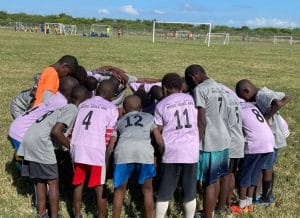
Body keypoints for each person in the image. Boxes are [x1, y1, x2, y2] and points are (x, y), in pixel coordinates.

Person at [17, 85, 89, 218]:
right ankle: (54, 216)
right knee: (53, 181)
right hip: (41, 143)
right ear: (84, 100)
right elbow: (56, 132)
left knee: (41, 180)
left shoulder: (61, 107)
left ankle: (41, 214)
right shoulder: (72, 108)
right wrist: (71, 147)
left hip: (29, 139)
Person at [185, 64, 231, 218]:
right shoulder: (221, 87)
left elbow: (202, 121)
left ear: (193, 78)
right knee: (216, 178)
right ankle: (211, 211)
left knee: (208, 182)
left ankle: (207, 215)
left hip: (210, 141)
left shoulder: (200, 90)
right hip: (224, 138)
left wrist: (195, 143)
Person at [235, 79, 291, 205]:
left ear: (247, 91)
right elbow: (286, 96)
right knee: (266, 167)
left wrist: (265, 118)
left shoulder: (261, 95)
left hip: (273, 136)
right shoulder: (264, 91)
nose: (247, 102)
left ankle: (266, 197)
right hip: (272, 135)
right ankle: (262, 195)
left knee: (266, 168)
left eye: (245, 98)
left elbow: (281, 101)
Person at [106, 95, 162, 218]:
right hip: (144, 153)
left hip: (123, 153)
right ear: (141, 108)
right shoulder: (149, 117)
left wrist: (107, 162)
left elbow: (111, 145)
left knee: (119, 191)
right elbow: (159, 140)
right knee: (148, 191)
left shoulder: (120, 121)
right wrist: (160, 155)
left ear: (124, 110)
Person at [70, 80, 119, 218]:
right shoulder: (111, 108)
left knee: (78, 182)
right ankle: (101, 215)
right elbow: (108, 135)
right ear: (112, 95)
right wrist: (106, 156)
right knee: (99, 187)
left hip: (78, 147)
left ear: (97, 90)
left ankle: (77, 214)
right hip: (96, 150)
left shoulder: (83, 104)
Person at [154, 73, 199, 218]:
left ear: (164, 89)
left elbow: (158, 131)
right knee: (190, 191)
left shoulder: (161, 105)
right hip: (191, 150)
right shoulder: (191, 99)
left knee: (164, 193)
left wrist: (159, 152)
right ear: (181, 87)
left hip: (171, 151)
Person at [8, 76, 79, 152]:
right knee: (29, 161)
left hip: (17, 126)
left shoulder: (54, 95)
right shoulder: (63, 103)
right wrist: (70, 147)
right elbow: (56, 131)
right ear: (71, 92)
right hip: (22, 134)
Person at [230, 101, 274, 214]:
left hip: (255, 143)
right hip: (269, 141)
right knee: (255, 172)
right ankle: (249, 203)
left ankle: (241, 204)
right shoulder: (249, 105)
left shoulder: (235, 106)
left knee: (245, 174)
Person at [217, 84, 245, 213]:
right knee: (231, 173)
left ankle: (221, 207)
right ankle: (227, 202)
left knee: (225, 176)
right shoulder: (235, 100)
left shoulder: (223, 101)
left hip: (230, 142)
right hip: (238, 140)